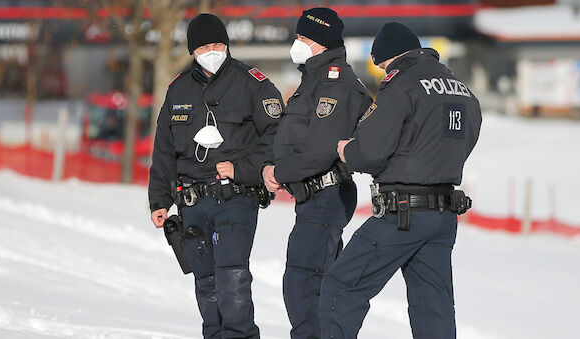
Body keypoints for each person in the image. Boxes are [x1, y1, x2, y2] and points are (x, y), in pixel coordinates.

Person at [319, 22, 482, 338]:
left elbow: (371, 151)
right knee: (431, 306)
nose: (381, 72)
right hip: (444, 215)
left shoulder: (402, 84)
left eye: (381, 65)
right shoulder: (460, 88)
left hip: (402, 214)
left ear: (389, 57)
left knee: (341, 286)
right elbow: (466, 138)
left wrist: (347, 149)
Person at [148, 13, 283, 339]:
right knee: (206, 284)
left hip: (235, 197)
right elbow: (164, 150)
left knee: (231, 279)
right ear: (193, 50)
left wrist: (245, 169)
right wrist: (159, 199)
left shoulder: (253, 83)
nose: (213, 50)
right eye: (206, 46)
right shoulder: (177, 89)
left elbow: (279, 136)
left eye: (219, 44)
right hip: (192, 202)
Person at [262, 8, 373, 339]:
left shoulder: (336, 84)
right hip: (313, 197)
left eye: (303, 39)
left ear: (322, 43)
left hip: (326, 194)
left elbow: (320, 148)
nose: (297, 44)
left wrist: (279, 172)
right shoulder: (314, 79)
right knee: (316, 283)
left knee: (303, 283)